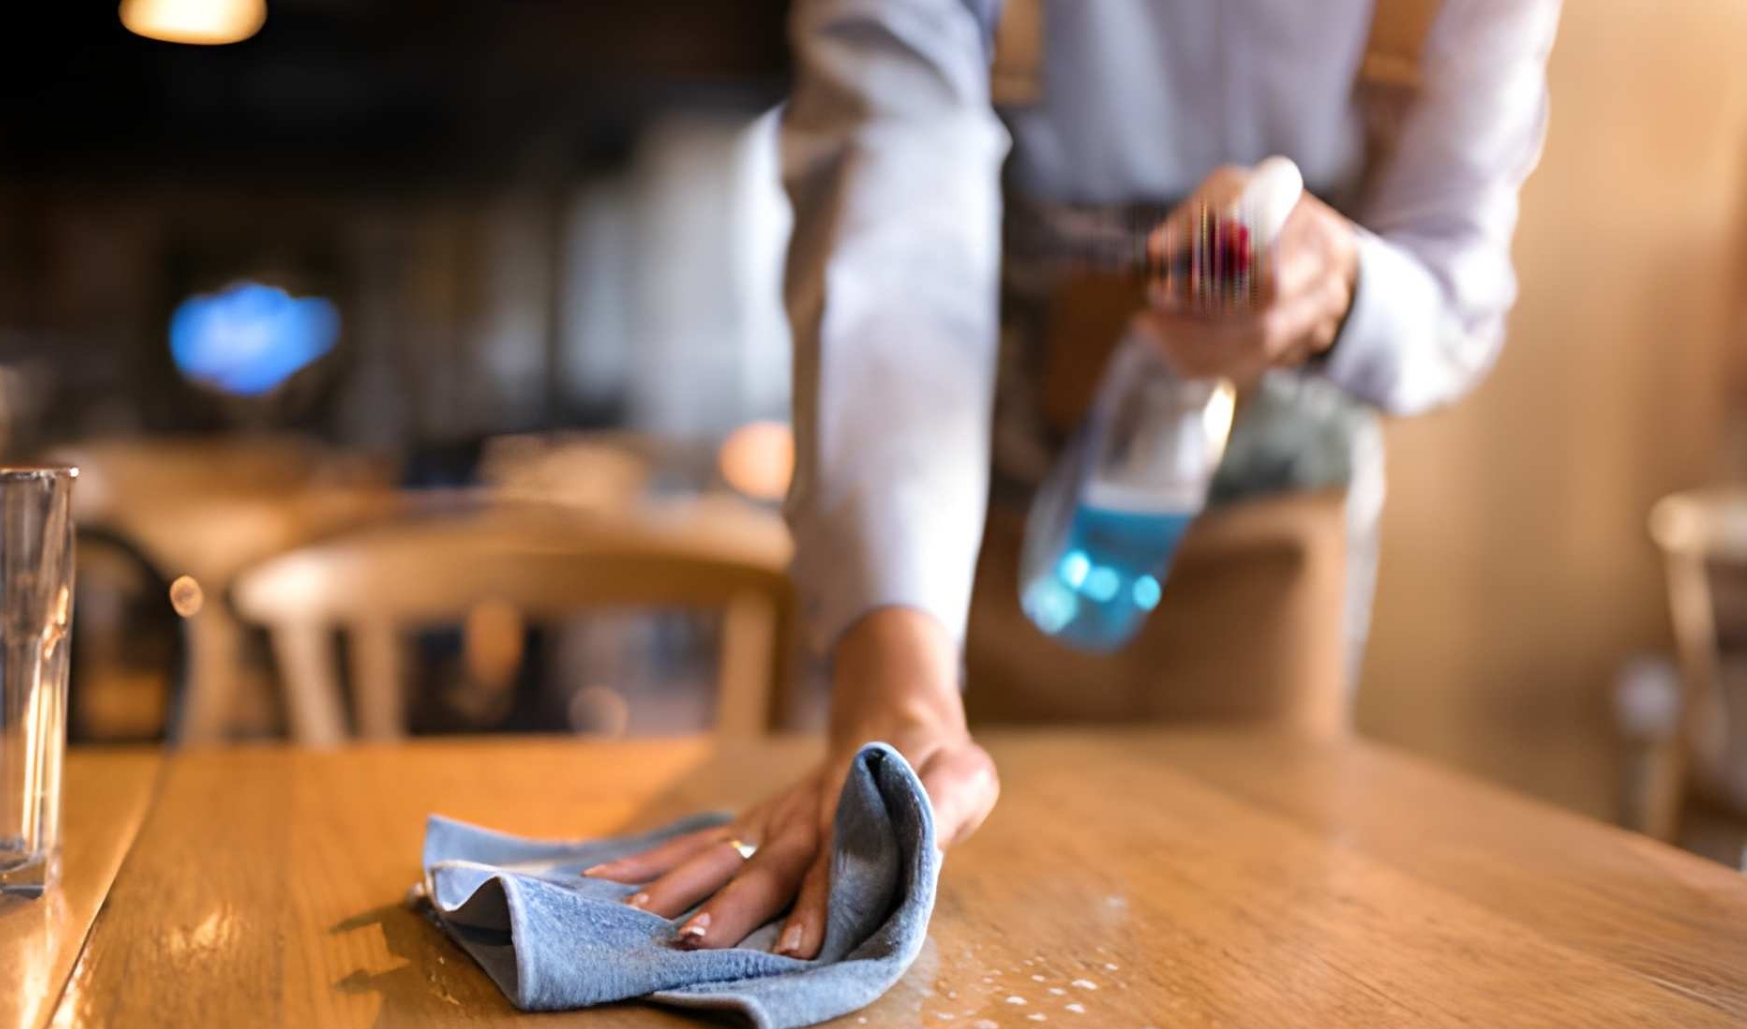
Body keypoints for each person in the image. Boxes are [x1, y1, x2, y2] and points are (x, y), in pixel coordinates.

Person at [585, 0, 1561, 958]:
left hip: (1275, 550)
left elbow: (1456, 290)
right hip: (968, 545)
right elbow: (896, 221)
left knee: (1255, 957)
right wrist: (899, 681)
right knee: (968, 955)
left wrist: (1339, 285)